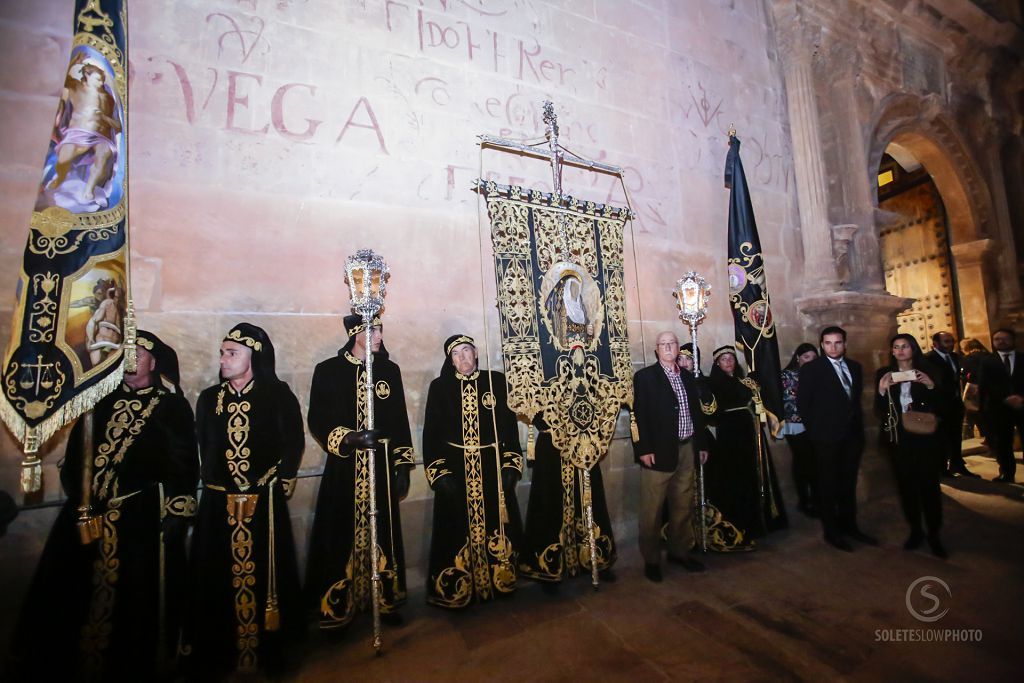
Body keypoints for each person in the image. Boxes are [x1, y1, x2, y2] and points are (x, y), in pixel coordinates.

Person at [10, 330, 198, 680]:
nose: (130, 360)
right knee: (69, 593)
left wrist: (177, 508)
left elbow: (184, 463)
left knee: (133, 600)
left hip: (138, 521)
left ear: (154, 363)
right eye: (125, 354)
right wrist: (81, 496)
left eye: (138, 354)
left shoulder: (172, 406)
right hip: (85, 518)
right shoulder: (100, 400)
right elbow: (76, 456)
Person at [188, 324, 305, 677]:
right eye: (222, 353)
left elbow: (293, 441)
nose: (223, 359)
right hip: (218, 509)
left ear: (253, 357)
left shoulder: (278, 395)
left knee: (269, 574)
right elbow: (204, 445)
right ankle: (217, 654)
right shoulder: (209, 399)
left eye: (231, 353)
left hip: (263, 505)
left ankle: (271, 653)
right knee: (215, 578)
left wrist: (280, 478)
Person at [306, 315, 415, 630]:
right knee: (339, 533)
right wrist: (349, 437)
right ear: (356, 333)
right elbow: (317, 418)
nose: (379, 335)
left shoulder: (388, 371)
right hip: (344, 469)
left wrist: (403, 464)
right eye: (373, 330)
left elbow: (399, 420)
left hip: (380, 467)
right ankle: (338, 608)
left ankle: (385, 599)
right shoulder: (327, 371)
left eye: (380, 329)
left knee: (383, 532)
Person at [421, 335, 524, 607]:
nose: (463, 358)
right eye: (456, 354)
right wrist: (439, 474)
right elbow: (430, 436)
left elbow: (509, 427)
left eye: (466, 351)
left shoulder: (496, 381)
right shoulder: (439, 388)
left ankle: (500, 580)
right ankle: (457, 588)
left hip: (492, 470)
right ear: (450, 360)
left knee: (497, 524)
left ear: (476, 352)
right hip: (455, 472)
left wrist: (511, 463)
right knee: (456, 529)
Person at [632, 332, 709, 582]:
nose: (668, 347)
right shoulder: (645, 377)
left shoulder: (687, 377)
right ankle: (652, 559)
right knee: (652, 509)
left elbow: (697, 414)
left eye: (672, 343)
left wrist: (701, 445)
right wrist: (644, 449)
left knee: (683, 503)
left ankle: (680, 551)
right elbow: (639, 415)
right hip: (658, 451)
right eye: (663, 344)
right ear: (656, 350)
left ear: (678, 348)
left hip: (687, 447)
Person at [797, 326, 878, 552]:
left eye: (838, 343)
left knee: (848, 483)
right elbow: (804, 404)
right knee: (828, 485)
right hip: (825, 439)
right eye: (828, 343)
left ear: (845, 344)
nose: (833, 347)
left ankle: (850, 527)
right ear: (822, 345)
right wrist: (816, 434)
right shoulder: (812, 369)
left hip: (852, 437)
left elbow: (853, 402)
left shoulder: (855, 367)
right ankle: (832, 533)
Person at [875, 334, 949, 558]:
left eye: (905, 346)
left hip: (925, 437)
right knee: (907, 487)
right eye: (896, 347)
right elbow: (880, 410)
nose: (900, 351)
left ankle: (934, 533)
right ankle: (916, 530)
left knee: (929, 487)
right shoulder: (884, 374)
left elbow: (945, 405)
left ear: (913, 349)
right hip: (899, 439)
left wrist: (930, 385)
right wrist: (881, 390)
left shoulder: (930, 370)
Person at [705, 345, 787, 541]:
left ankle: (763, 519)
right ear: (717, 364)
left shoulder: (747, 382)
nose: (728, 362)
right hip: (731, 436)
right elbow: (712, 412)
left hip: (752, 432)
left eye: (731, 358)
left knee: (755, 472)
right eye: (723, 359)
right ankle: (741, 522)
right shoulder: (713, 384)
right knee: (737, 475)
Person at [926, 331, 976, 478]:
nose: (950, 344)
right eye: (946, 341)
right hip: (938, 406)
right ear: (935, 344)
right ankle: (942, 468)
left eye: (951, 341)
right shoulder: (928, 359)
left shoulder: (955, 357)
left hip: (955, 404)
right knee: (941, 438)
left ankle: (957, 464)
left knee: (955, 436)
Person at [979, 328, 1024, 482]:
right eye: (998, 339)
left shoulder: (1022, 358)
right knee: (1002, 442)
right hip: (999, 407)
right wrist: (1005, 397)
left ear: (1013, 340)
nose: (1001, 341)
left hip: (1022, 405)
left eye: (1005, 338)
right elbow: (985, 385)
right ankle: (1007, 473)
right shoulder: (987, 361)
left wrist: (1020, 398)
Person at [780, 343, 820, 516]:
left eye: (813, 358)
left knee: (815, 461)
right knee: (803, 460)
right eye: (806, 357)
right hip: (795, 424)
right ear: (798, 357)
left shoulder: (819, 374)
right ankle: (804, 501)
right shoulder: (788, 375)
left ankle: (817, 498)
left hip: (815, 424)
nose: (810, 361)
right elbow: (788, 400)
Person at [959, 338, 988, 440]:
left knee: (974, 413)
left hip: (973, 389)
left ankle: (983, 436)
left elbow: (964, 374)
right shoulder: (988, 355)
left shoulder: (968, 359)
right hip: (989, 389)